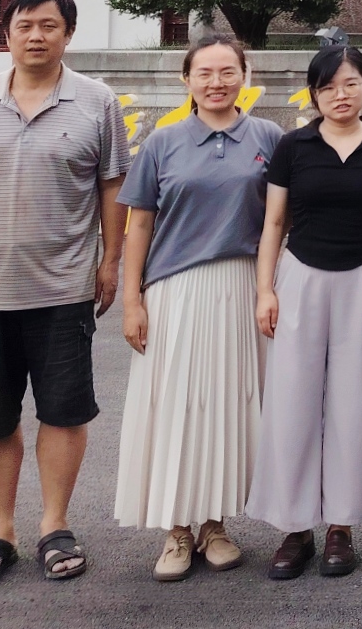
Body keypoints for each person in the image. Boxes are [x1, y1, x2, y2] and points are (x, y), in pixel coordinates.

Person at [0, 0, 129, 591]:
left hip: (64, 290)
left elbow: (113, 187)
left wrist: (111, 261)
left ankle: (54, 526)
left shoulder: (96, 102)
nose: (36, 36)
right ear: (8, 34)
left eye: (49, 26)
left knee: (64, 413)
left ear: (68, 34)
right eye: (25, 25)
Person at [113, 35, 282, 581]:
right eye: (204, 73)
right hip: (175, 291)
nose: (217, 82)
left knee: (229, 407)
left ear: (244, 76)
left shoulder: (268, 137)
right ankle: (177, 530)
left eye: (228, 71)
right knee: (178, 407)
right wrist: (132, 300)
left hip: (243, 286)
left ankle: (215, 525)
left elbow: (283, 217)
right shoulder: (163, 142)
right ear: (186, 80)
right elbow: (140, 223)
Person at [246, 44, 362, 581]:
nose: (341, 95)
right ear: (314, 94)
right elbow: (274, 223)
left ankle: (341, 525)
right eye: (329, 86)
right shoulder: (294, 146)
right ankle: (295, 528)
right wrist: (265, 290)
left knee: (354, 401)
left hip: (361, 276)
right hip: (299, 278)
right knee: (292, 400)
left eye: (351, 83)